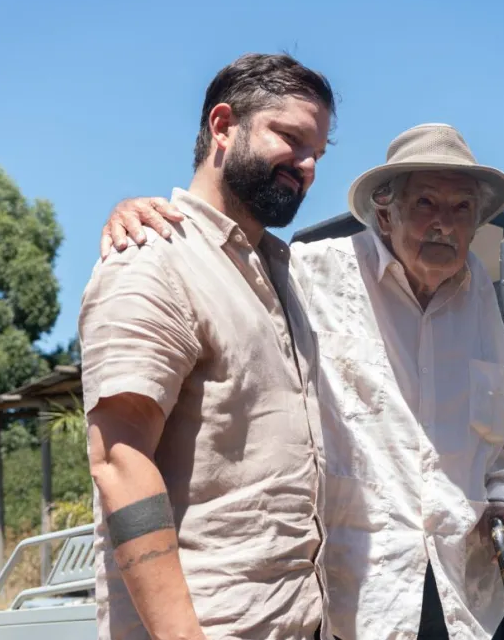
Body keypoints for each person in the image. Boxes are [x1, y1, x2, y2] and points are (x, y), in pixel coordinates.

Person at [98, 123, 504, 640]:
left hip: (472, 598)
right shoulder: (309, 272)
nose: (444, 224)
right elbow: (214, 256)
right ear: (385, 212)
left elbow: (498, 425)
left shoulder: (477, 291)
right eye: (426, 204)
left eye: (462, 209)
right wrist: (135, 211)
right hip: (365, 601)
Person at [79, 52, 336, 640]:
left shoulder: (283, 276)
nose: (306, 165)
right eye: (291, 138)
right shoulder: (152, 259)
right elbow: (119, 462)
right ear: (223, 126)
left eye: (317, 153)